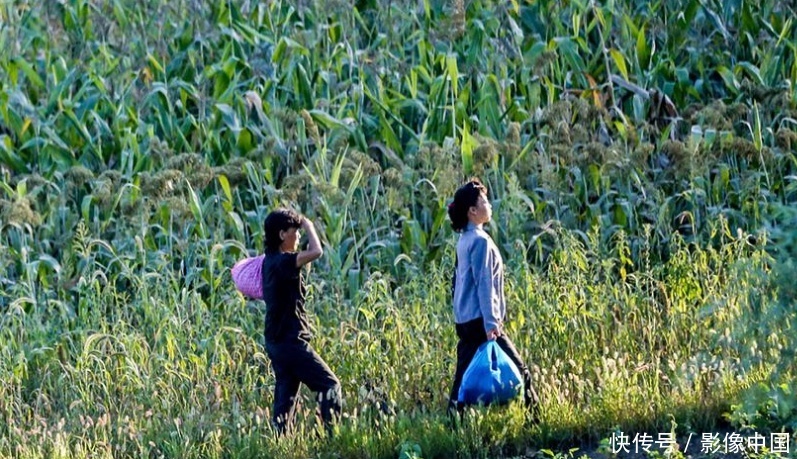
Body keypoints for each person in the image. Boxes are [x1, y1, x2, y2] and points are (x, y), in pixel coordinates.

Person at [447, 178, 539, 418]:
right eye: (484, 200)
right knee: (521, 371)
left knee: (462, 381)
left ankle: (452, 425)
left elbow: (458, 282)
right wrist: (492, 325)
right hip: (481, 322)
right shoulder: (479, 242)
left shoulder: (465, 239)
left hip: (466, 321)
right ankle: (537, 423)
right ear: (473, 211)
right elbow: (484, 285)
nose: (489, 204)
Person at [261, 208, 341, 435]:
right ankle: (332, 440)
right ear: (281, 235)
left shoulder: (269, 261)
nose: (298, 237)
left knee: (286, 400)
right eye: (294, 232)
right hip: (291, 342)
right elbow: (316, 251)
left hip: (276, 342)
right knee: (330, 385)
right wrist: (308, 225)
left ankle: (280, 444)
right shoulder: (283, 262)